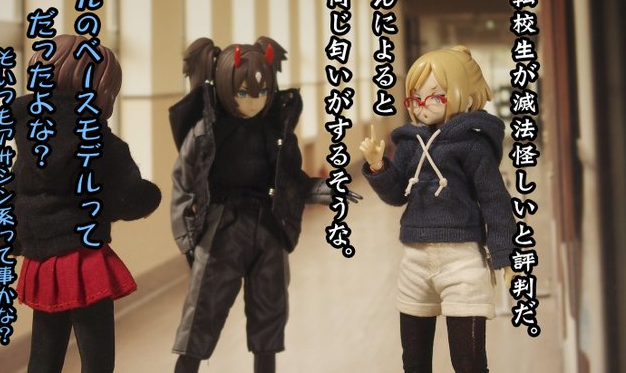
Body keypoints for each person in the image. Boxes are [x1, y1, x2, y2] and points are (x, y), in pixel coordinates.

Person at [169, 37, 356, 373]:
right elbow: (182, 182)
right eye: (243, 92)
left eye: (261, 91)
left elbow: (291, 179)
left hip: (269, 229)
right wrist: (187, 239)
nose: (253, 100)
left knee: (269, 318)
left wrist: (327, 190)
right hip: (221, 230)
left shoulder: (275, 130)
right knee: (201, 317)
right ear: (225, 86)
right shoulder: (206, 131)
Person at [0, 34, 161, 372]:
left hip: (42, 260)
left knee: (44, 354)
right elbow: (126, 196)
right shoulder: (100, 140)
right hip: (84, 261)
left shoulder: (29, 135)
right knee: (97, 357)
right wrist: (150, 197)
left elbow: (13, 189)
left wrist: (6, 239)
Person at [359, 46, 515, 373]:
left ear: (464, 97)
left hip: (463, 260)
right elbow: (397, 195)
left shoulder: (473, 145)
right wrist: (377, 166)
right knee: (414, 361)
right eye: (415, 97)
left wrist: (504, 256)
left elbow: (495, 201)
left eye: (435, 96)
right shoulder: (408, 144)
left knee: (469, 362)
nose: (422, 104)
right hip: (415, 260)